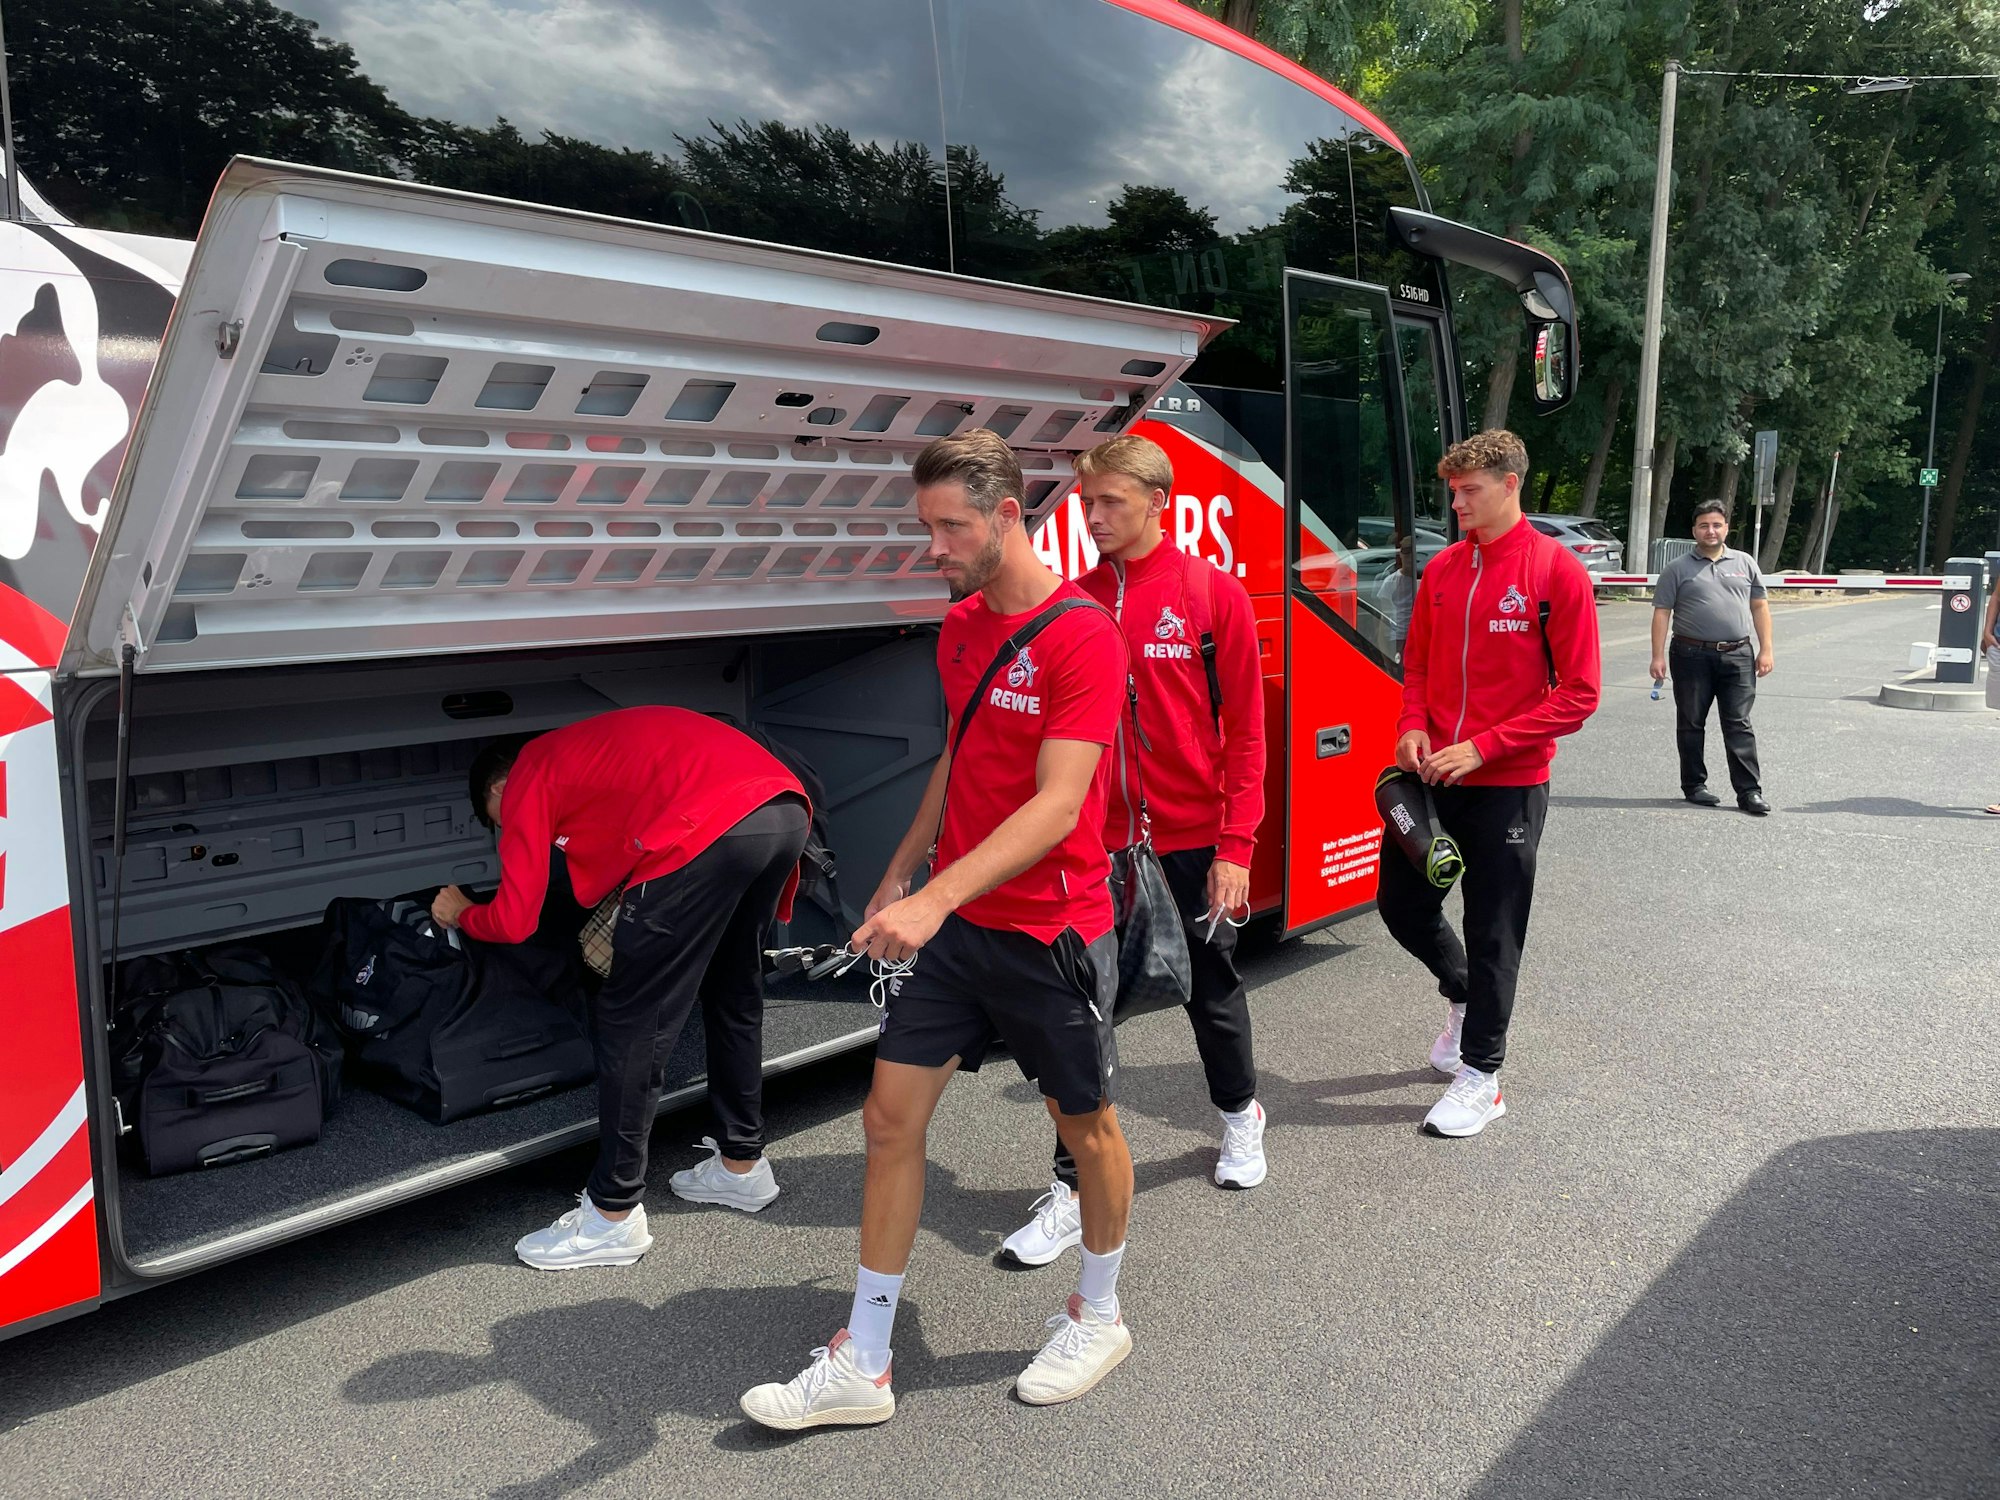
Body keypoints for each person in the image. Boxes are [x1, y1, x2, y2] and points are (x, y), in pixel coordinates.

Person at [741, 428, 1134, 1428]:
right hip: (956, 929)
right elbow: (958, 760)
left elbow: (1056, 804)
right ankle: (863, 1361)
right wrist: (900, 869)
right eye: (924, 527)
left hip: (1048, 928)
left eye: (948, 527)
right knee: (886, 1120)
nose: (932, 546)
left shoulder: (1083, 634)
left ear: (1006, 516)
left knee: (1083, 1132)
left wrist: (933, 897)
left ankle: (1098, 1313)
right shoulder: (961, 628)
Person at [996, 433, 1268, 1271]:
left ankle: (1239, 1117)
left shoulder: (1212, 595)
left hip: (1190, 843)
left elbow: (1247, 737)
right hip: (1094, 849)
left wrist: (1236, 845)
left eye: (1111, 501)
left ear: (1157, 502)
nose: (1094, 514)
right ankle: (1073, 1189)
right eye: (1087, 501)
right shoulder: (1074, 600)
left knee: (1210, 994)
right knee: (1079, 1020)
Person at [429, 707, 809, 1269]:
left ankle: (611, 1214)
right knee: (734, 992)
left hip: (707, 828)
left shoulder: (529, 772)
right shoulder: (588, 752)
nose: (510, 829)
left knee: (634, 1021)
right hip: (781, 810)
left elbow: (516, 920)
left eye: (499, 819)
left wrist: (463, 912)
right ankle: (741, 1166)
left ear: (498, 787)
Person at [1379, 430, 1601, 1138]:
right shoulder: (1444, 569)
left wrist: (1485, 747)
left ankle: (1482, 1075)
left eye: (1471, 490)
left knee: (1494, 928)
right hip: (1431, 775)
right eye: (1453, 491)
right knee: (1401, 907)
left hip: (1508, 782)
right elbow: (1415, 665)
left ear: (1511, 486)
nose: (1459, 503)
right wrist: (1413, 724)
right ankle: (1464, 995)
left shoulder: (1555, 572)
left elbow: (1580, 694)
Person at [1648, 499, 1774, 816]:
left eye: (1716, 524)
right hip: (1690, 655)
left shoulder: (1745, 563)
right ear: (1695, 530)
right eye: (1704, 525)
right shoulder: (1677, 569)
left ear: (1726, 528)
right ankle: (1694, 786)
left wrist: (1766, 649)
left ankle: (1749, 792)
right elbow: (1662, 613)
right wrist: (1657, 656)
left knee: (1739, 724)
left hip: (1738, 655)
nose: (1711, 530)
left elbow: (1760, 607)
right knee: (1691, 722)